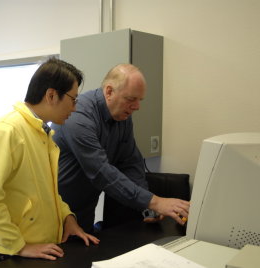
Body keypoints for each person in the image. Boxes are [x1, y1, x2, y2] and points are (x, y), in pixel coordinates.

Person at [0, 58, 99, 264]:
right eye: (73, 99)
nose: (74, 108)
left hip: (44, 248)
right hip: (15, 254)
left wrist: (67, 217)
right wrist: (19, 246)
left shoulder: (41, 132)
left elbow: (46, 192)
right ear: (51, 95)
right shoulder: (6, 131)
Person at [51, 64, 190, 233]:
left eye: (140, 100)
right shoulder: (78, 116)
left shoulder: (122, 116)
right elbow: (100, 172)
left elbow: (130, 162)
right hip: (56, 214)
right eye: (131, 99)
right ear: (109, 92)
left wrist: (146, 207)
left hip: (85, 214)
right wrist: (155, 202)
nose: (137, 106)